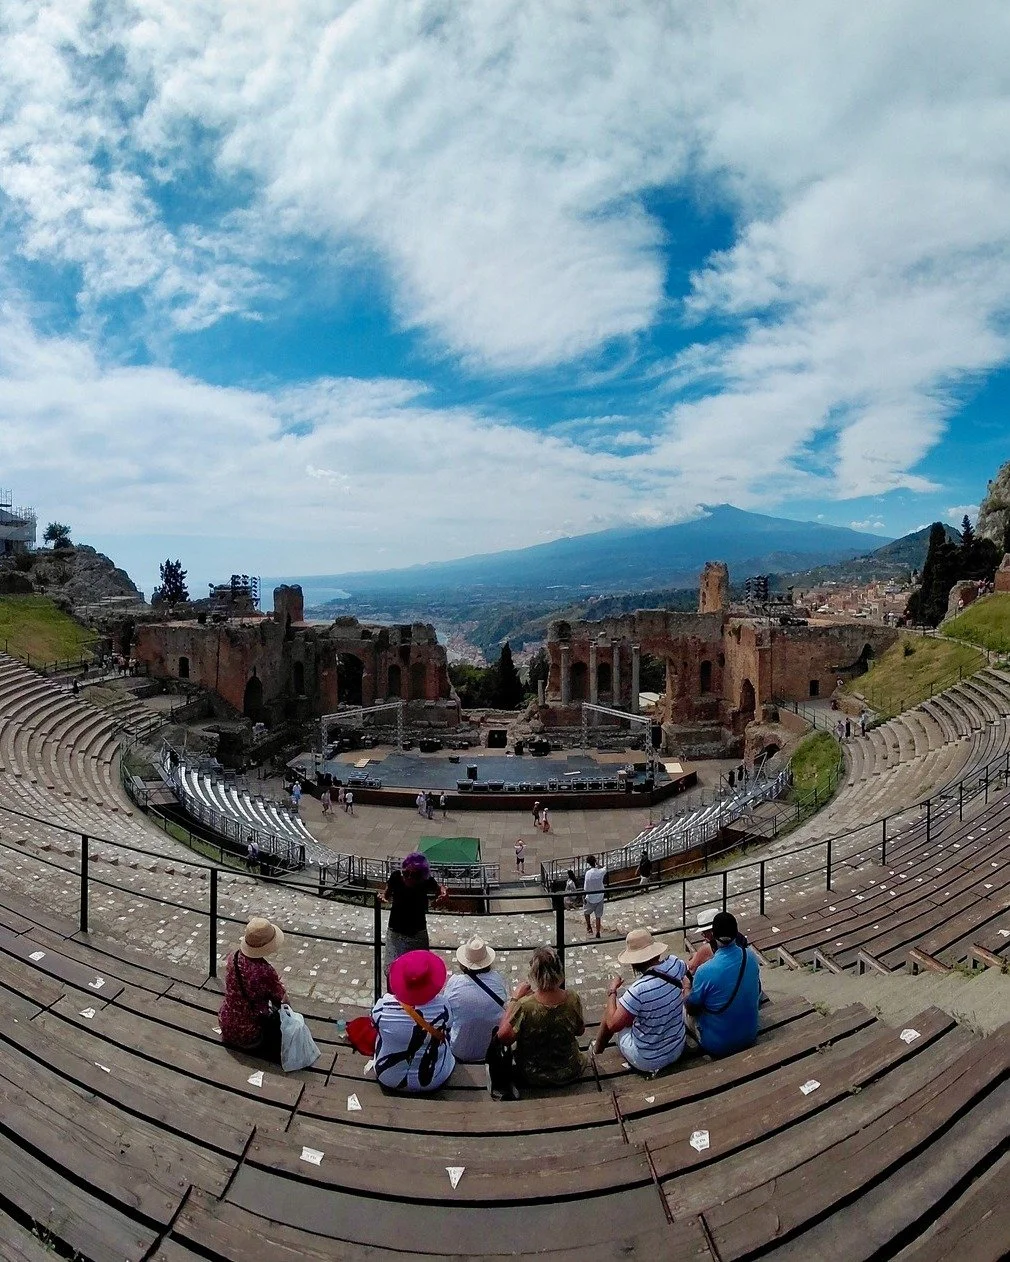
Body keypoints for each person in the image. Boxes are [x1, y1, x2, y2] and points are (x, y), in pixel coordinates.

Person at [592, 928, 688, 1074]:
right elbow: (688, 974)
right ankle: (597, 1049)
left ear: (633, 963)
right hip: (676, 1048)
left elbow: (612, 1025)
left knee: (613, 1009)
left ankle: (596, 1050)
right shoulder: (675, 963)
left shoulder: (639, 989)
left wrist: (612, 991)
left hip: (648, 1059)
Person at [497, 947, 586, 1087]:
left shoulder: (524, 1006)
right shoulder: (572, 998)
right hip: (570, 1069)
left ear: (534, 974)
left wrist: (514, 1000)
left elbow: (503, 1037)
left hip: (533, 1075)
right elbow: (580, 1031)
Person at [372, 949, 455, 1092]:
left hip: (389, 1077)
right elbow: (448, 1029)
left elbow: (374, 1026)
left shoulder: (382, 1007)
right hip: (433, 1079)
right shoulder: (444, 1008)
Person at [683, 911, 761, 1058]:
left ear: (713, 934)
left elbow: (691, 1008)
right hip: (750, 1034)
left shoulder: (705, 971)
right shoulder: (750, 956)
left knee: (682, 1005)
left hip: (718, 1045)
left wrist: (686, 986)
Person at [218, 917, 287, 1060]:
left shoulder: (233, 957)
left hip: (226, 1023)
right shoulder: (265, 971)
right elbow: (281, 998)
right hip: (249, 1034)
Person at [381, 851, 447, 978]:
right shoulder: (396, 877)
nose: (409, 877)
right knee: (392, 971)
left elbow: (440, 889)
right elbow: (386, 893)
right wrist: (382, 897)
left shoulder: (425, 882)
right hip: (396, 932)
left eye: (415, 875)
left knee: (420, 972)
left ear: (422, 875)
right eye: (406, 873)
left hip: (417, 932)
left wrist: (443, 894)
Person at [443, 936, 508, 1063]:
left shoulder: (455, 983)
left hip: (459, 1050)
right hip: (490, 1049)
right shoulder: (497, 979)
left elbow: (447, 1012)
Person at [687, 908, 720, 974]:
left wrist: (697, 955)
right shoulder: (738, 937)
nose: (703, 935)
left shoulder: (707, 948)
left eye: (704, 933)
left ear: (711, 932)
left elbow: (691, 968)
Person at [583, 855, 607, 939]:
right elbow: (605, 868)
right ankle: (598, 932)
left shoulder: (588, 873)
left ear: (588, 863)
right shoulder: (600, 872)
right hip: (600, 896)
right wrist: (598, 864)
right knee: (598, 916)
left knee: (586, 913)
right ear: (595, 861)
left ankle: (589, 926)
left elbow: (585, 888)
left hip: (590, 897)